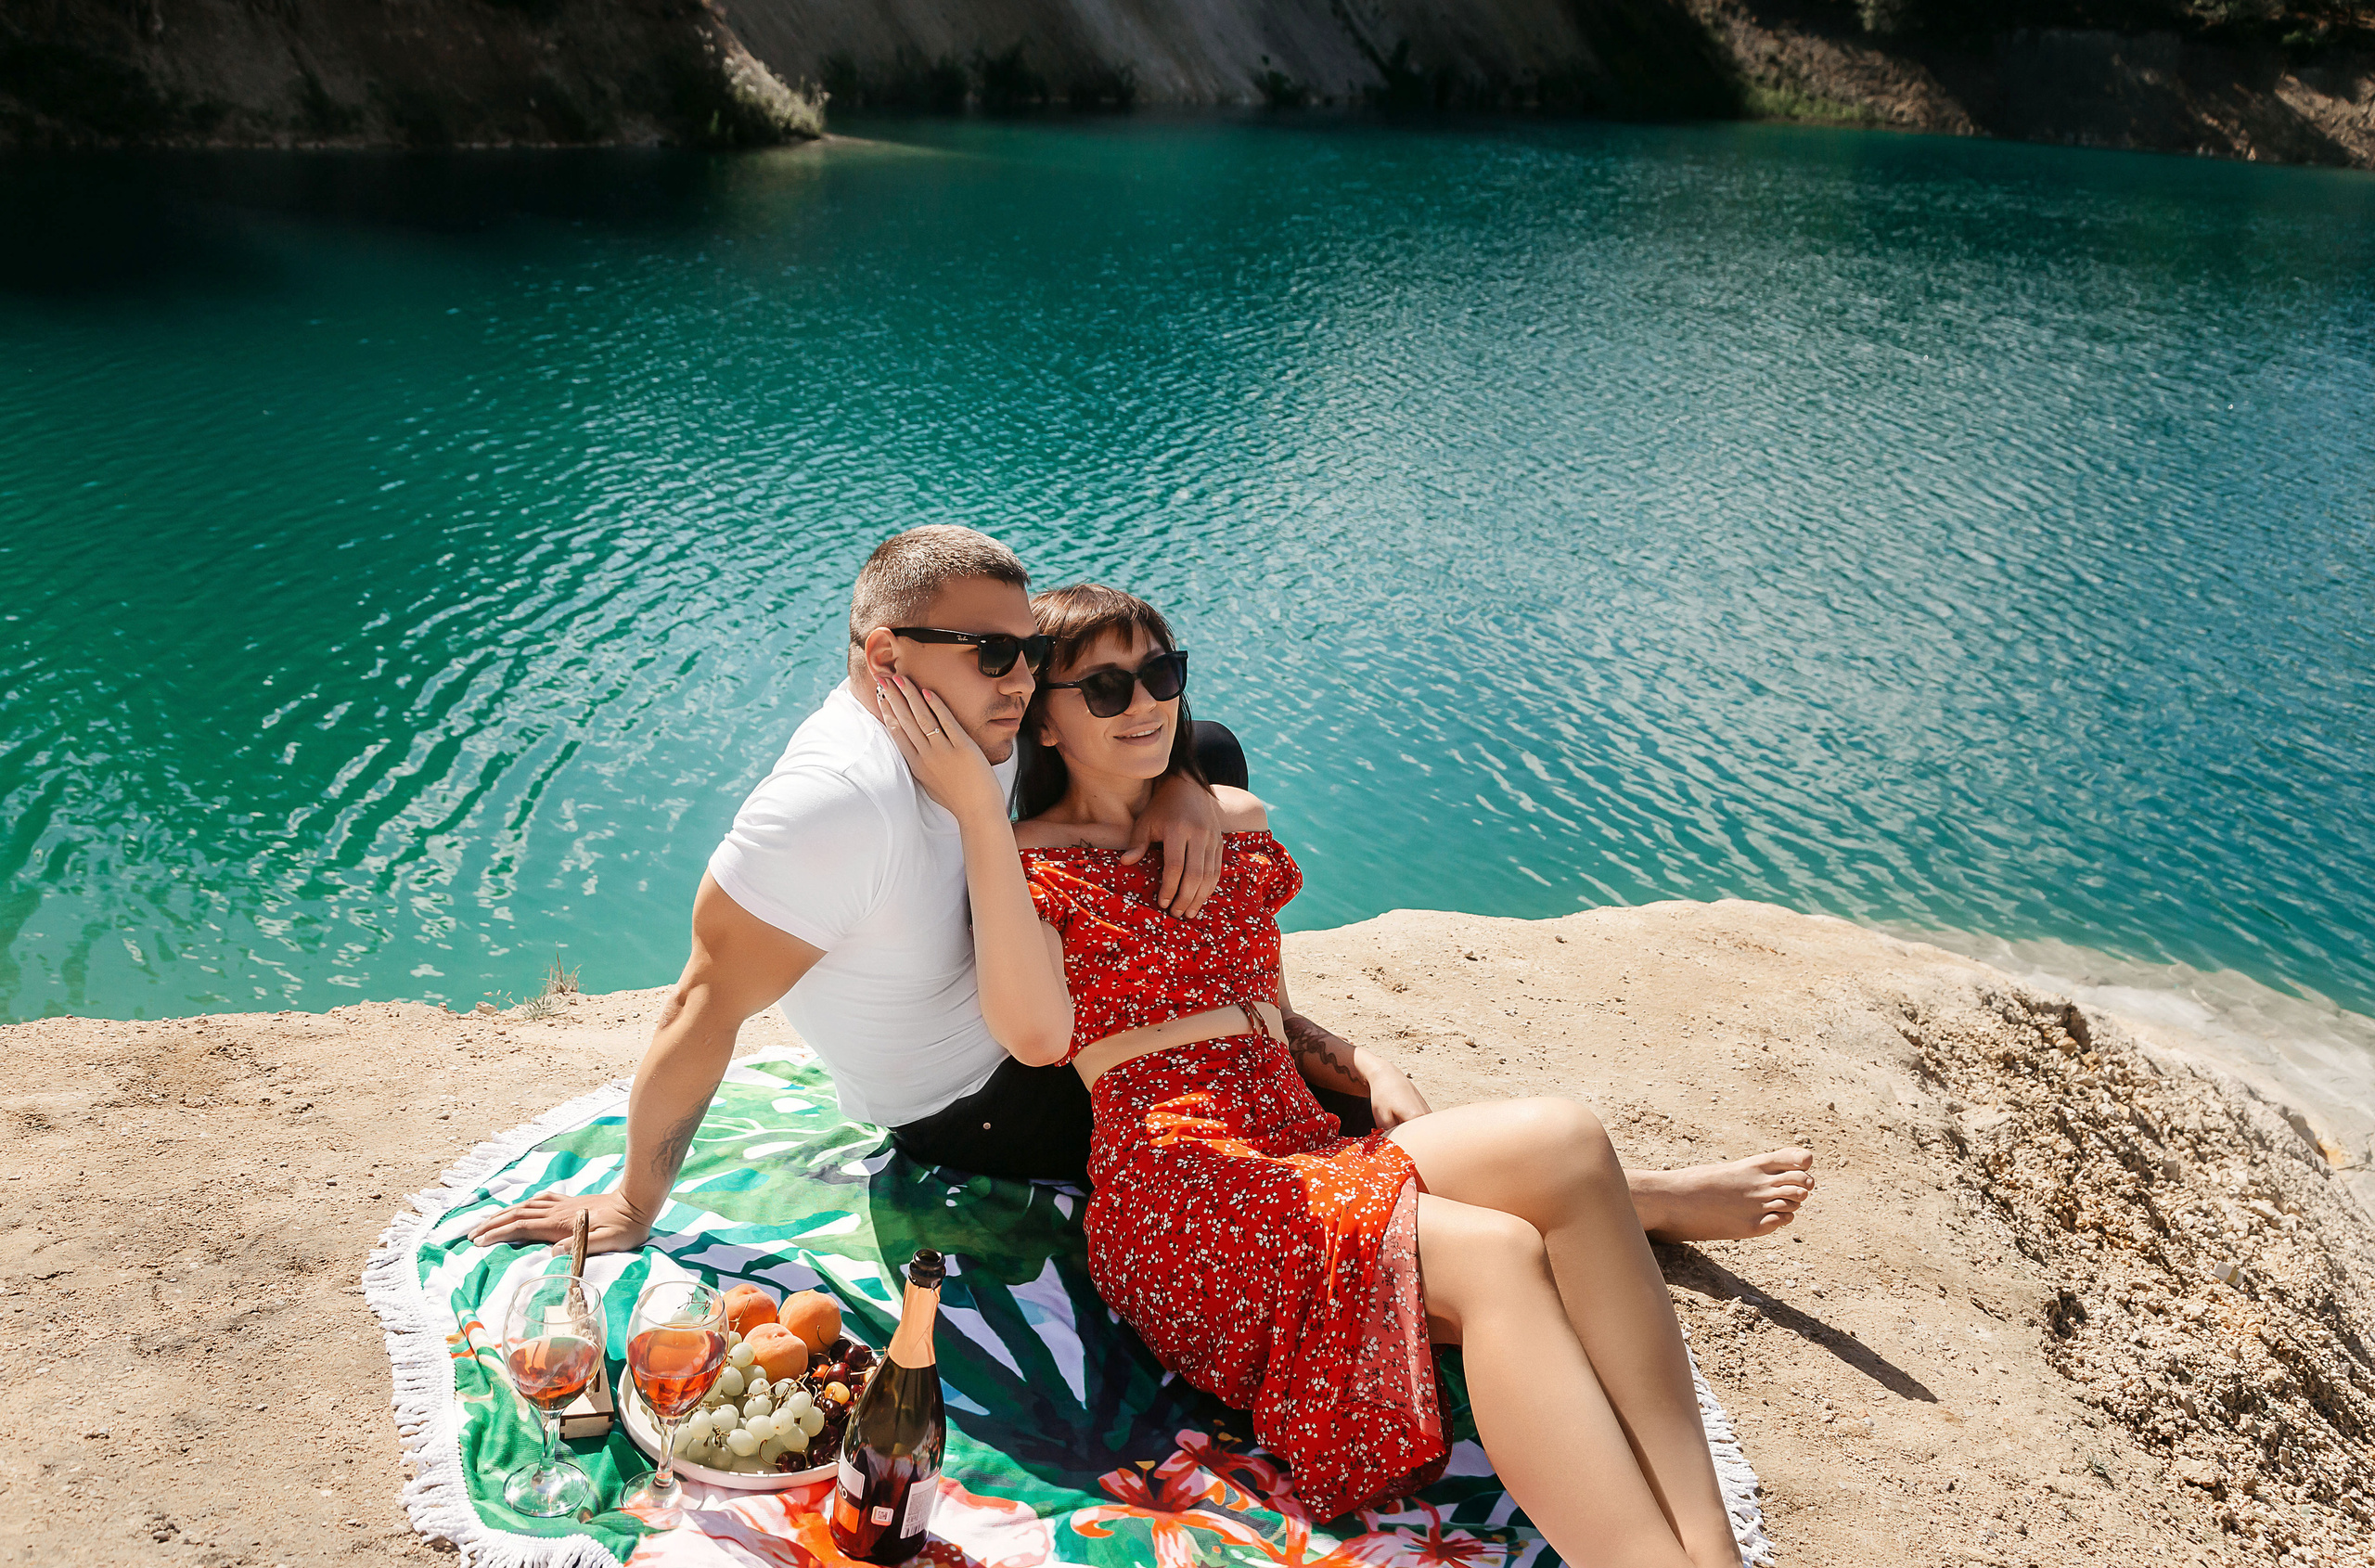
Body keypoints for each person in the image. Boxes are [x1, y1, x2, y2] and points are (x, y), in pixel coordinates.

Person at [473, 527, 1815, 1264]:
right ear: (887, 653)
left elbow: (1135, 749)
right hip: (989, 1096)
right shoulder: (832, 800)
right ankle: (1623, 1201)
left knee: (1204, 751)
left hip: (1053, 993)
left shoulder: (964, 742)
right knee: (1276, 1148)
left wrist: (1187, 786)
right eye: (994, 652)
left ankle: (1314, 1056)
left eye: (1023, 654)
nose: (1019, 678)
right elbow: (704, 1003)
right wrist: (635, 1203)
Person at [877, 581, 1755, 1568]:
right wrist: (983, 825)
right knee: (1498, 1254)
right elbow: (1035, 1038)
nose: (1146, 705)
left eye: (1161, 675)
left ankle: (1708, 1551)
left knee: (1567, 1137)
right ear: (1045, 719)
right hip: (1184, 1191)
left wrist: (1364, 1059)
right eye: (1106, 689)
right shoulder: (1028, 865)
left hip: (1294, 1142)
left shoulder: (1221, 823)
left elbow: (1270, 1012)